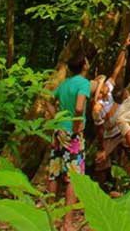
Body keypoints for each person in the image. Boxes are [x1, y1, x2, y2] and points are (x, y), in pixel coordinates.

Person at [48, 51, 92, 231]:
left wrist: (56, 119)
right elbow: (79, 106)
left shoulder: (64, 84)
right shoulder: (83, 83)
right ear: (84, 66)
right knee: (73, 177)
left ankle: (49, 218)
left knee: (54, 172)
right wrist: (76, 123)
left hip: (59, 131)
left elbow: (48, 101)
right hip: (73, 135)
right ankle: (67, 223)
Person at [91, 35, 130, 190]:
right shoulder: (97, 108)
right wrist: (103, 149)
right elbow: (99, 130)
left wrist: (124, 47)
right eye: (101, 86)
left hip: (123, 128)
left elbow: (117, 68)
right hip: (110, 134)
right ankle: (102, 190)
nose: (104, 86)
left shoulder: (108, 89)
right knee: (100, 162)